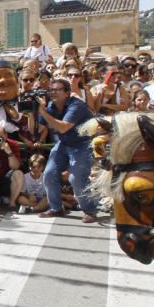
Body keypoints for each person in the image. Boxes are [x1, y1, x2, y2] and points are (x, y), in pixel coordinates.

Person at [36, 78, 99, 223]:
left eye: (58, 89)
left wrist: (42, 111)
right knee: (49, 173)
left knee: (75, 177)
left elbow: (63, 127)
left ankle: (90, 210)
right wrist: (31, 113)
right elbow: (39, 128)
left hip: (82, 144)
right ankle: (56, 208)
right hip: (64, 143)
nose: (53, 92)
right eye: (52, 90)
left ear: (67, 93)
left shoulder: (76, 105)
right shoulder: (51, 106)